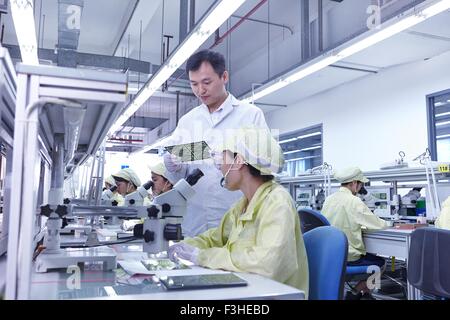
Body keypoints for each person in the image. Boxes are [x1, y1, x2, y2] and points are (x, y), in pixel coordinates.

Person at [168, 127, 309, 296]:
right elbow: (214, 239)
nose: (219, 166)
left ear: (239, 161)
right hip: (250, 291)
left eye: (223, 157)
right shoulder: (242, 205)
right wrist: (185, 247)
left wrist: (202, 256)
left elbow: (266, 264)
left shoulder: (278, 202)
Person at [163, 49, 269, 237]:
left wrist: (233, 160)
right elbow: (177, 177)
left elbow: (266, 165)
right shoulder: (188, 121)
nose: (200, 90)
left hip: (237, 218)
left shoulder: (250, 115)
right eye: (194, 84)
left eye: (207, 82)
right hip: (195, 221)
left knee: (233, 263)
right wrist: (172, 166)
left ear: (224, 77)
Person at [321, 167, 389, 300]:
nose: (360, 188)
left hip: (331, 255)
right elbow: (377, 224)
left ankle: (362, 295)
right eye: (360, 184)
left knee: (370, 257)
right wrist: (390, 223)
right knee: (381, 263)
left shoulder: (329, 199)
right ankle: (357, 291)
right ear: (353, 183)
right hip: (349, 257)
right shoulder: (354, 201)